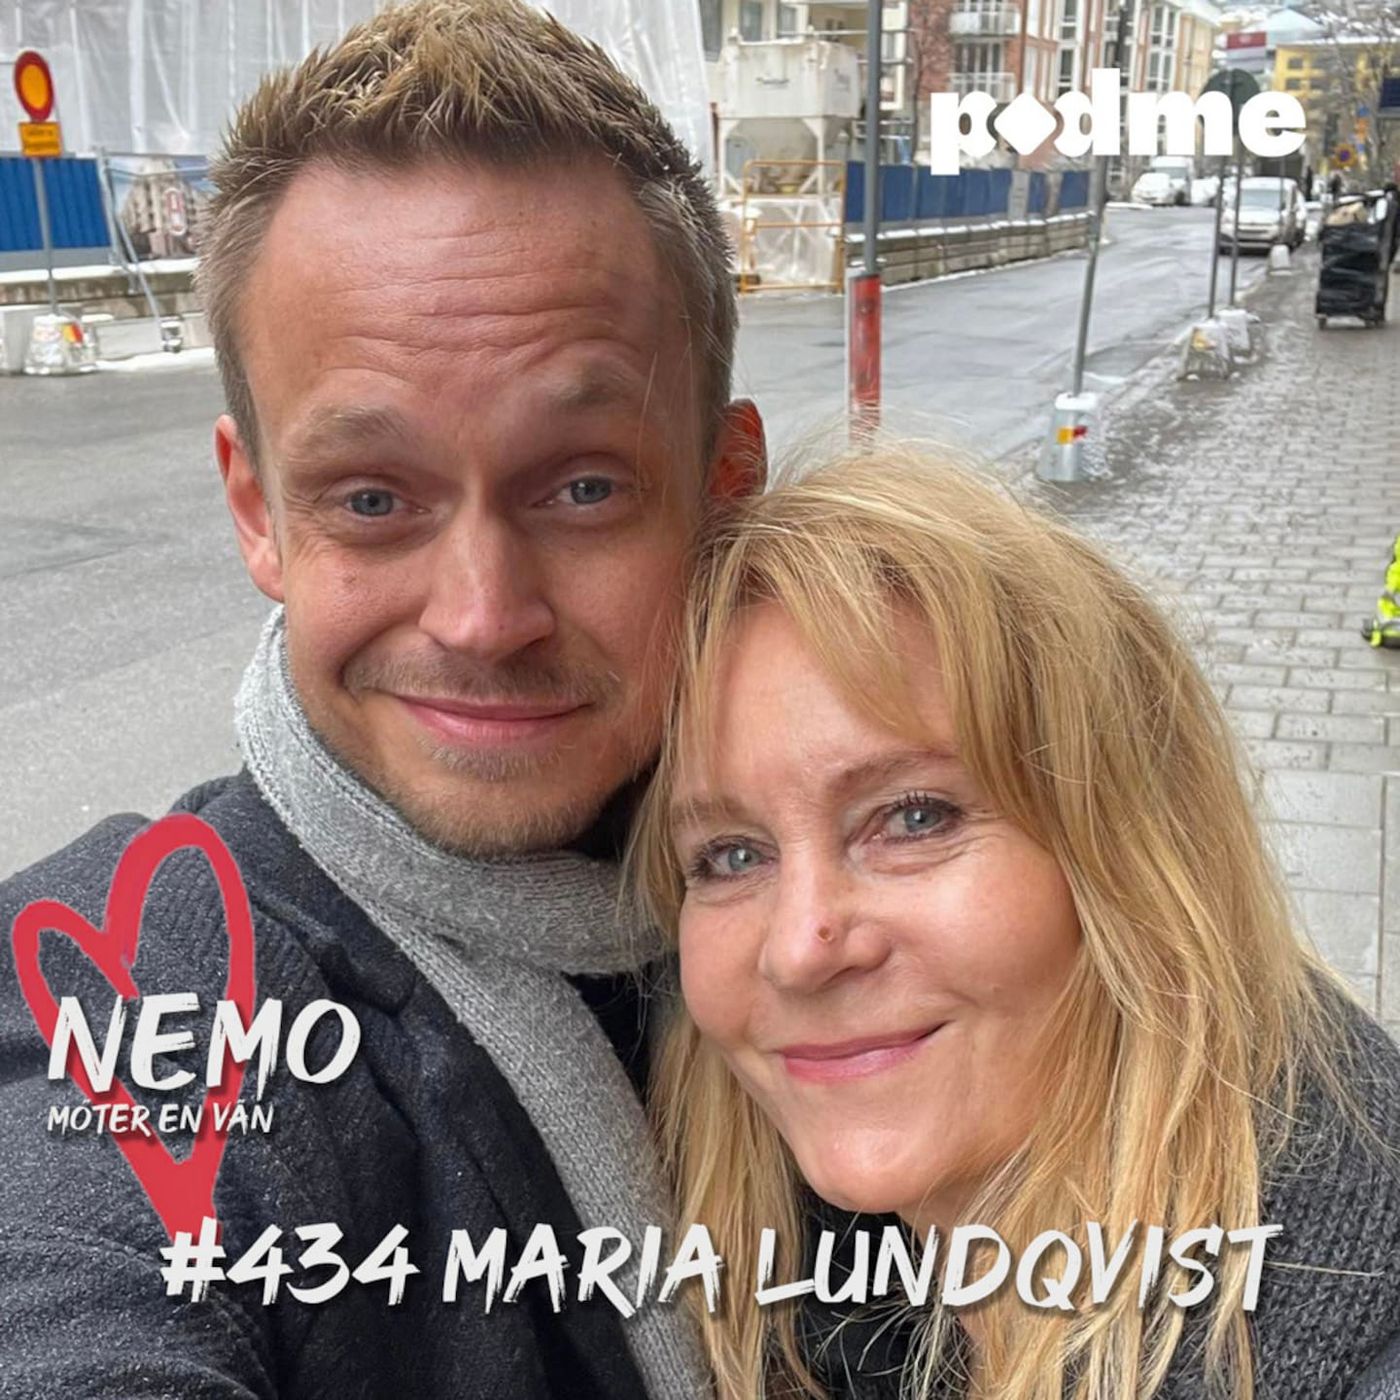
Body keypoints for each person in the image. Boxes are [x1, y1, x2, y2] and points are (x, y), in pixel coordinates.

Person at [0, 3, 762, 1396]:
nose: (482, 615)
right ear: (258, 513)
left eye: (583, 484)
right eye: (369, 498)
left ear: (725, 486)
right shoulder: (139, 990)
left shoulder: (907, 901)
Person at [632, 447, 1400, 1400]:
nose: (798, 951)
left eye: (915, 817)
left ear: (1133, 860)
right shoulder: (745, 1239)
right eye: (730, 856)